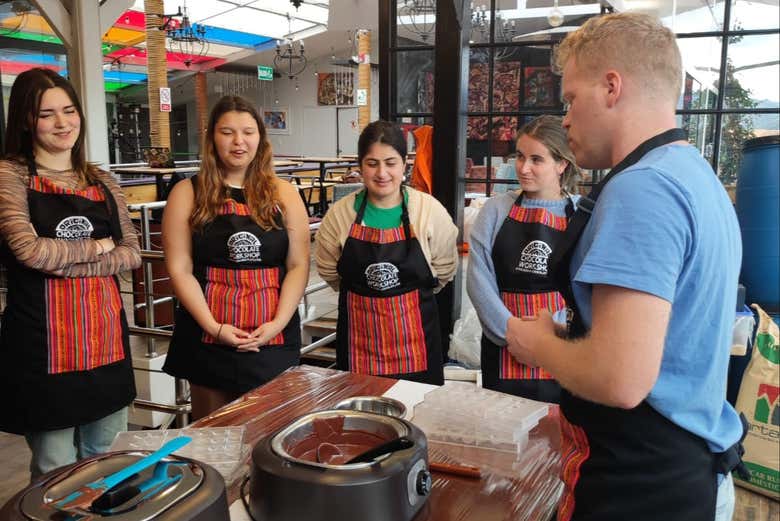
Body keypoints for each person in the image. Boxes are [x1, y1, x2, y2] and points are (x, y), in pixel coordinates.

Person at [504, 13, 745, 521]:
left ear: (612, 86)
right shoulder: (693, 173)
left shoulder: (644, 188)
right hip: (688, 464)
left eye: (570, 99)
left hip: (644, 483)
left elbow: (621, 378)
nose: (564, 119)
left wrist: (537, 343)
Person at [0, 68, 141, 477]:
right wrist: (98, 246)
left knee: (105, 456)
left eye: (69, 110)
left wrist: (63, 258)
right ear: (27, 119)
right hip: (41, 345)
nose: (63, 123)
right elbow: (29, 251)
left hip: (105, 340)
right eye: (47, 114)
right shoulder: (9, 176)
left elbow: (131, 253)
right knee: (54, 465)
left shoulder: (102, 179)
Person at [162, 96, 309, 420]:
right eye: (227, 132)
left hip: (272, 338)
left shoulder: (284, 193)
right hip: (207, 341)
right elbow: (180, 268)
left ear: (261, 137)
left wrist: (277, 324)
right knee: (213, 436)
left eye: (248, 132)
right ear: (212, 137)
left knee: (269, 434)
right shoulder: (186, 192)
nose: (239, 141)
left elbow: (298, 265)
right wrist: (214, 327)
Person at [315, 120, 458, 385]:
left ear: (404, 164)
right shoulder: (340, 215)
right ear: (360, 166)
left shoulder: (429, 210)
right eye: (372, 163)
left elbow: (445, 268)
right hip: (358, 345)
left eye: (391, 163)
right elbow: (327, 269)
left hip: (417, 345)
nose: (382, 173)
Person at [468, 116, 580, 402]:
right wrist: (512, 331)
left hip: (562, 348)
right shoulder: (495, 209)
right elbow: (479, 281)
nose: (523, 167)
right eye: (519, 156)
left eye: (536, 159)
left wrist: (548, 338)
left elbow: (585, 288)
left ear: (562, 163)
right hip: (502, 345)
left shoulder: (581, 215)